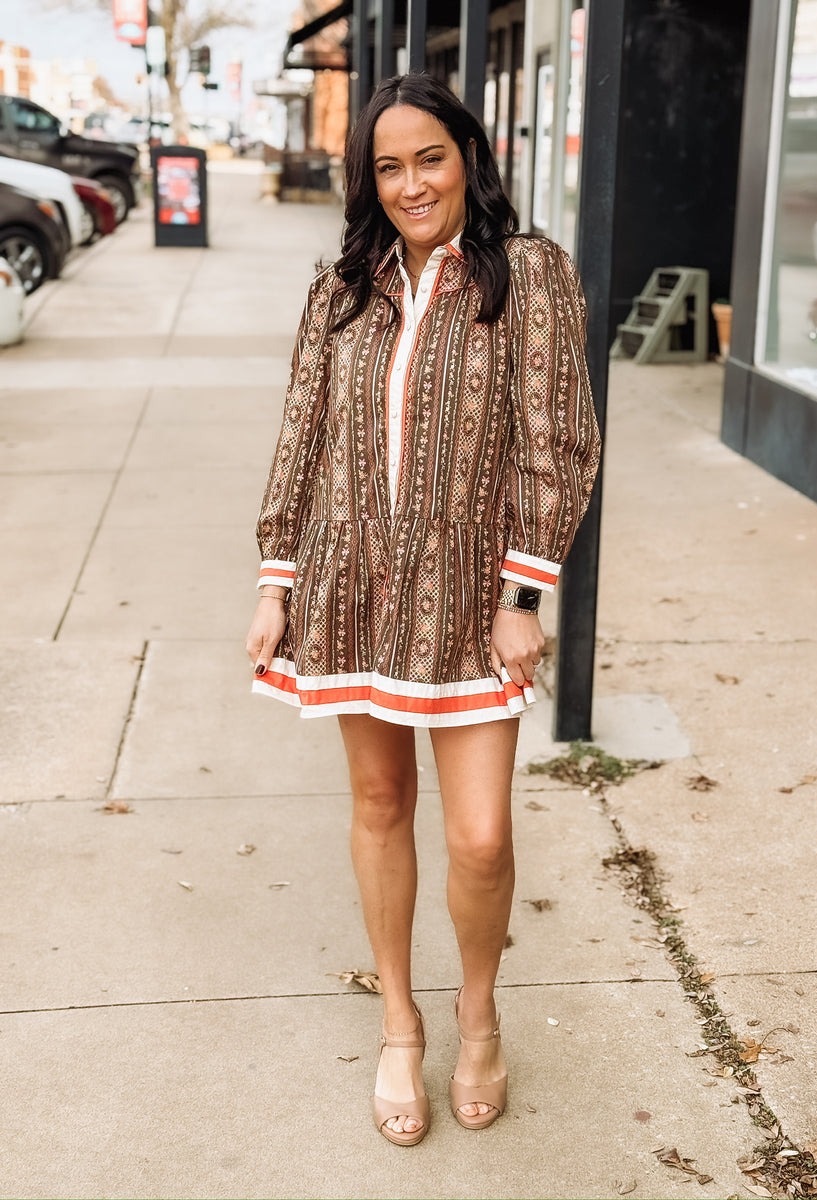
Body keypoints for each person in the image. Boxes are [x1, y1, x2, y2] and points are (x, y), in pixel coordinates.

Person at [245, 73, 601, 1146]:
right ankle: (401, 1022)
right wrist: (276, 580)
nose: (410, 183)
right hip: (352, 586)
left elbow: (559, 440)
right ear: (370, 180)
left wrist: (522, 593)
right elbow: (302, 433)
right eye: (388, 166)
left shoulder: (525, 275)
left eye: (429, 158)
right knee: (380, 804)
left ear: (470, 158)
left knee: (483, 839)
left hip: (469, 598)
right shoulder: (341, 286)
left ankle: (477, 1011)